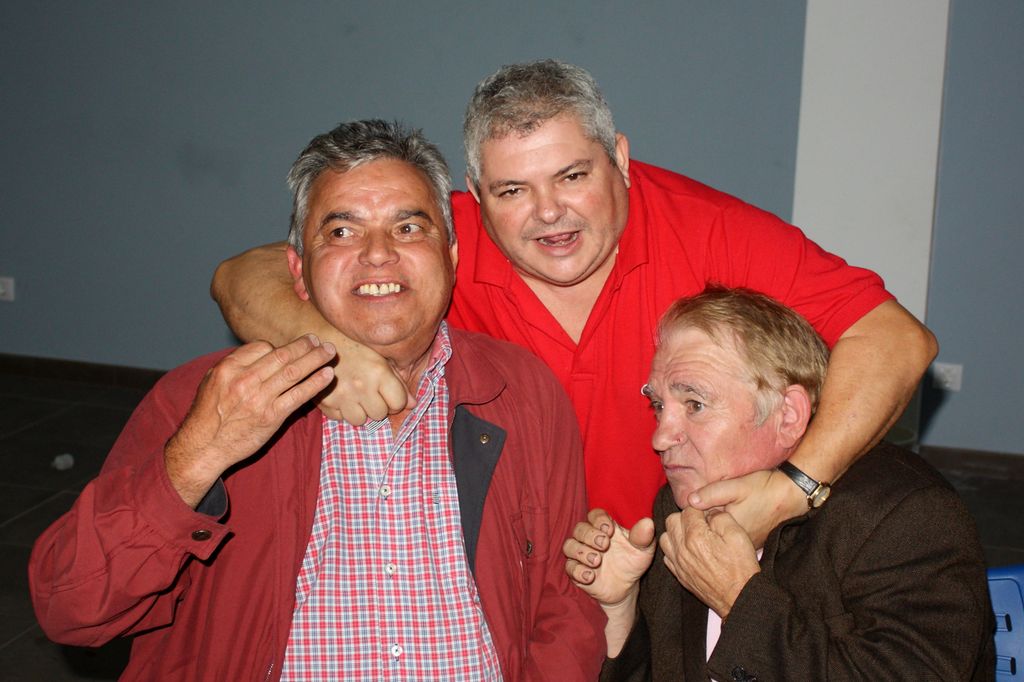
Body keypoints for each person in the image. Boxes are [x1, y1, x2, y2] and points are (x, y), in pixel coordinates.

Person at [210, 59, 937, 537]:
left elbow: (897, 338)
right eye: (512, 190)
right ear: (476, 196)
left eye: (572, 176)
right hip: (501, 569)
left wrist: (791, 489)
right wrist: (330, 351)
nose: (548, 213)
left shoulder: (706, 228)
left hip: (676, 560)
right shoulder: (444, 243)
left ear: (619, 159)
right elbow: (245, 274)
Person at [29, 120, 605, 681]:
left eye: (408, 228)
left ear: (452, 257)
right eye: (342, 232)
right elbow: (73, 610)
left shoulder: (519, 392)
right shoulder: (204, 399)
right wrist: (198, 456)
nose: (378, 254)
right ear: (298, 271)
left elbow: (563, 605)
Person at [563, 288, 994, 681]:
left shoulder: (905, 514)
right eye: (659, 405)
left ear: (787, 415)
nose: (660, 437)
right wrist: (620, 609)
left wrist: (738, 599)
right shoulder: (678, 508)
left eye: (694, 403)